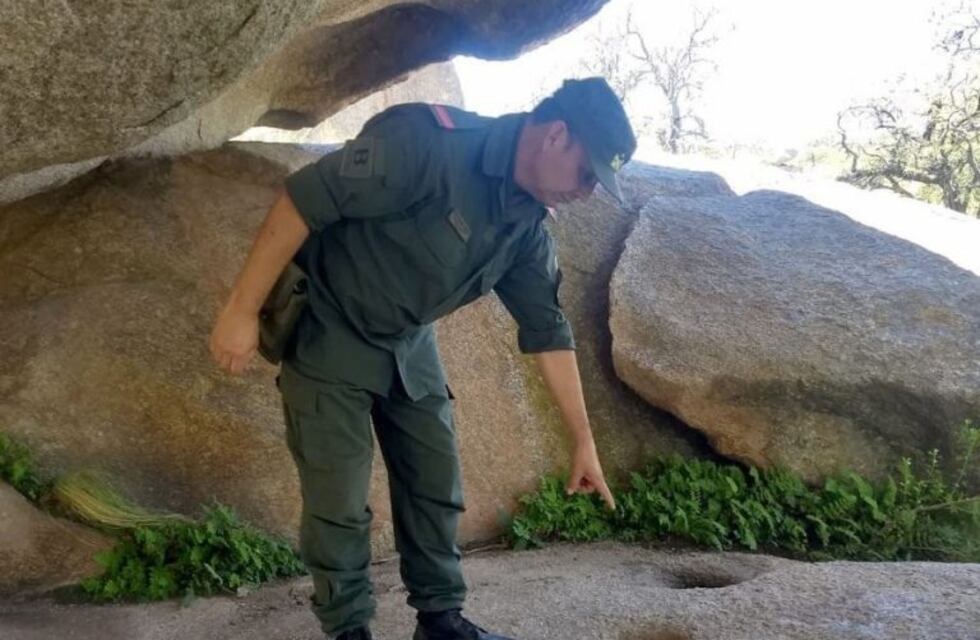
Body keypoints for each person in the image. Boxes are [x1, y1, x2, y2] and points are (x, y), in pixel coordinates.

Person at [209, 77, 636, 640]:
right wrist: (241, 309)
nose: (586, 193)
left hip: (407, 343)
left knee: (434, 481)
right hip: (331, 328)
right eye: (587, 176)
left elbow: (547, 330)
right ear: (557, 134)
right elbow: (303, 199)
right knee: (338, 498)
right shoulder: (430, 145)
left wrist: (584, 442)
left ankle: (440, 622)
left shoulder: (526, 223)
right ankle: (349, 629)